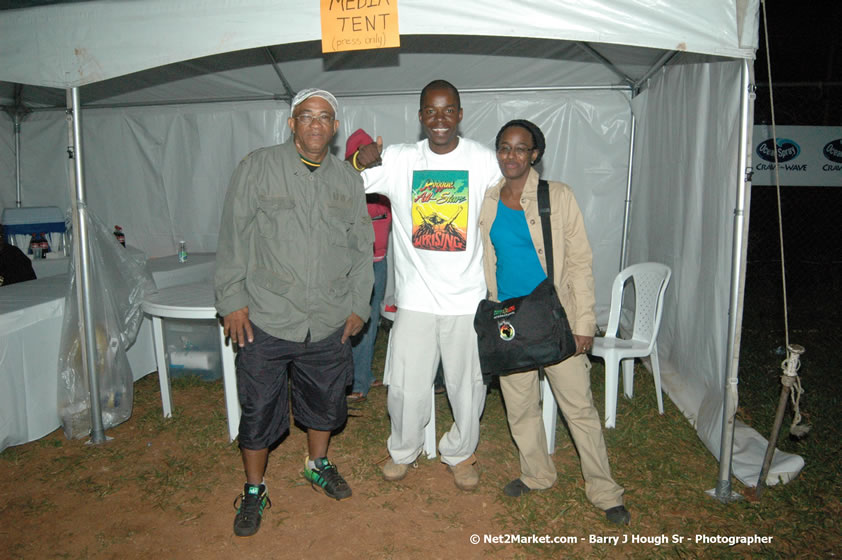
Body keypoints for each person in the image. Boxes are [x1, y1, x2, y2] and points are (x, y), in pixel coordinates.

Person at [214, 88, 374, 537]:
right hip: (267, 315)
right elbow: (233, 237)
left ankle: (317, 463)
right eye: (307, 117)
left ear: (336, 127)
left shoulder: (347, 179)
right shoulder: (257, 167)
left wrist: (359, 304)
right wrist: (232, 301)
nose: (316, 125)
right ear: (292, 124)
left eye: (325, 117)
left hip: (328, 317)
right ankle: (253, 488)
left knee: (325, 402)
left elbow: (363, 249)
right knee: (260, 408)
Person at [477, 119, 630, 525]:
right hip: (509, 320)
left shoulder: (557, 196)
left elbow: (580, 262)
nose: (511, 156)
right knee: (520, 406)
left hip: (555, 318)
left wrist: (584, 324)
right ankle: (537, 473)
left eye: (520, 148)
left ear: (535, 154)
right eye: (504, 148)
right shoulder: (488, 199)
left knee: (578, 406)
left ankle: (603, 489)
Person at [353, 79, 501, 490]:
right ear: (420, 117)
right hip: (416, 299)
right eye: (431, 111)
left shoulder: (483, 161)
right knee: (404, 385)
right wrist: (360, 163)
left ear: (460, 114)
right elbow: (350, 185)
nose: (440, 119)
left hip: (467, 299)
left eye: (448, 110)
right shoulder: (400, 159)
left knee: (468, 388)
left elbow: (512, 198)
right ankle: (403, 449)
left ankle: (460, 452)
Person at [345, 129, 392, 403]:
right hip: (360, 265)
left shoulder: (380, 181)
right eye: (363, 155)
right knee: (359, 320)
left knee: (371, 320)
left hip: (379, 261)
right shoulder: (352, 184)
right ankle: (355, 382)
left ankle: (362, 373)